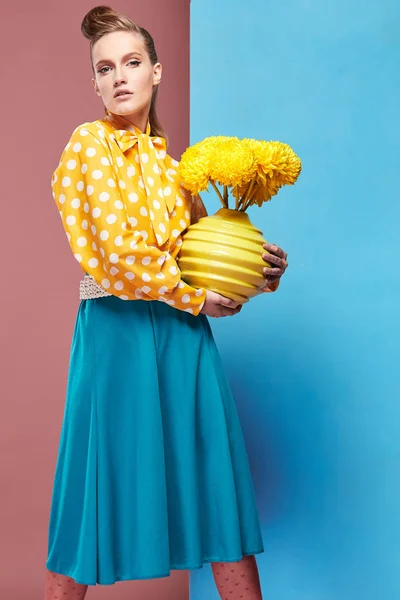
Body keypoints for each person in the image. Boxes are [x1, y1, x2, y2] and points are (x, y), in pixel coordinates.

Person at [44, 5, 288, 599]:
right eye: (105, 68)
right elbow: (118, 252)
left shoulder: (176, 169)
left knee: (214, 484)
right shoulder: (88, 146)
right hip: (118, 332)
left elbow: (202, 256)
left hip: (183, 336)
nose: (119, 77)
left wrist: (259, 269)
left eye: (132, 62)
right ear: (96, 82)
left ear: (157, 72)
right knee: (95, 487)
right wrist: (194, 297)